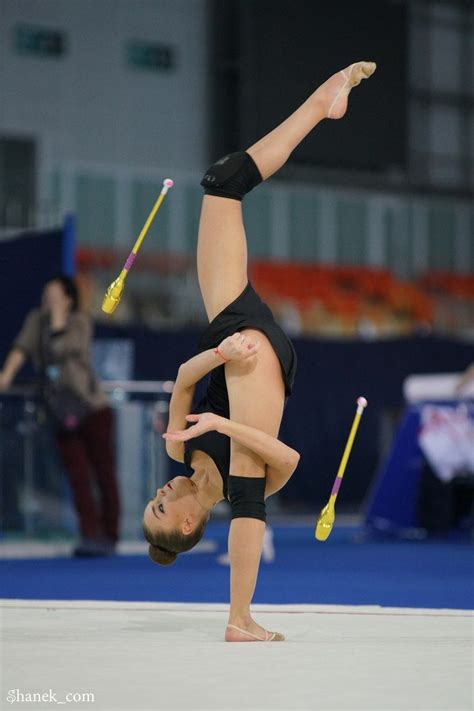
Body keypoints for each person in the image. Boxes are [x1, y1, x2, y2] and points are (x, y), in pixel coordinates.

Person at [142, 61, 376, 641]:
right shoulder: (248, 483)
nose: (161, 493)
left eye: (152, 501)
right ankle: (239, 619)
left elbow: (182, 376)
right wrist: (223, 420)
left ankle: (323, 102)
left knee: (224, 181)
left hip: (236, 332)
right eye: (161, 509)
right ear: (190, 521)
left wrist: (221, 353)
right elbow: (289, 459)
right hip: (264, 372)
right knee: (249, 475)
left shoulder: (179, 450)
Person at [0, 276, 120, 556]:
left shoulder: (80, 322)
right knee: (77, 475)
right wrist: (6, 374)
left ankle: (110, 534)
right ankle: (90, 535)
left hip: (91, 407)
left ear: (68, 299)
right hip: (60, 410)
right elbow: (22, 347)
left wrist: (57, 320)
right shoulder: (36, 320)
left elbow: (63, 349)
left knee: (103, 473)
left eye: (54, 295)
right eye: (46, 294)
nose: (48, 299)